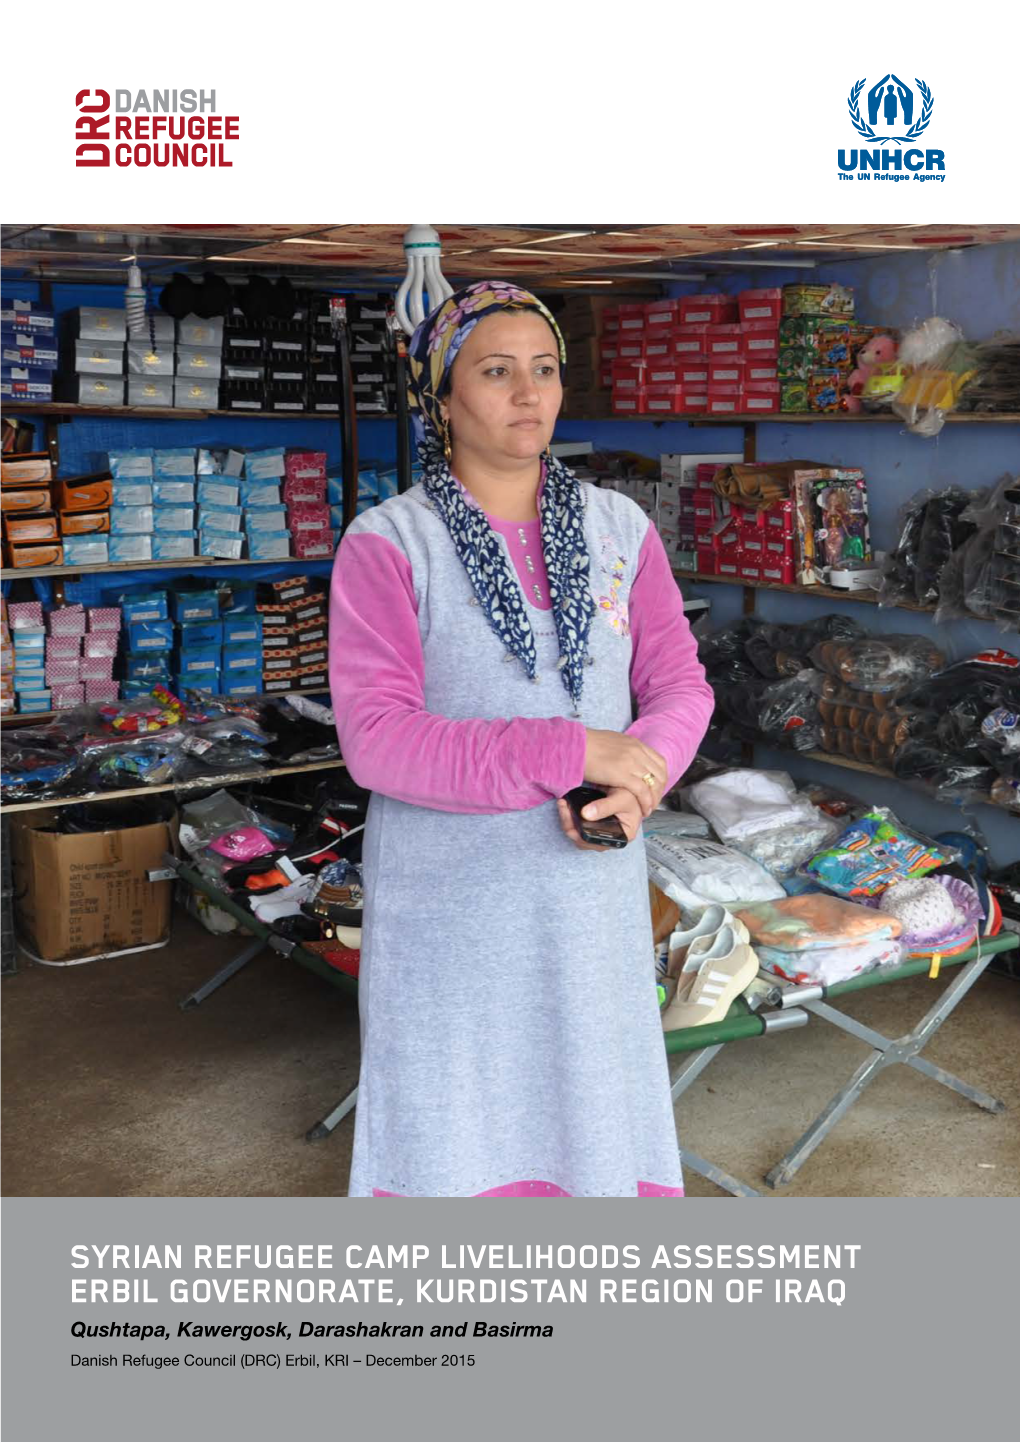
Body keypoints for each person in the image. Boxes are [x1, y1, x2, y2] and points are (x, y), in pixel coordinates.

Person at [328, 280, 714, 1197]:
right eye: (496, 372)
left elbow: (678, 685)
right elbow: (378, 742)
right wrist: (575, 750)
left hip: (587, 902)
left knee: (592, 1129)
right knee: (454, 1140)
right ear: (442, 396)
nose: (528, 394)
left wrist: (639, 783)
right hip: (452, 913)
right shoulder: (389, 545)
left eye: (544, 370)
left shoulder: (621, 530)